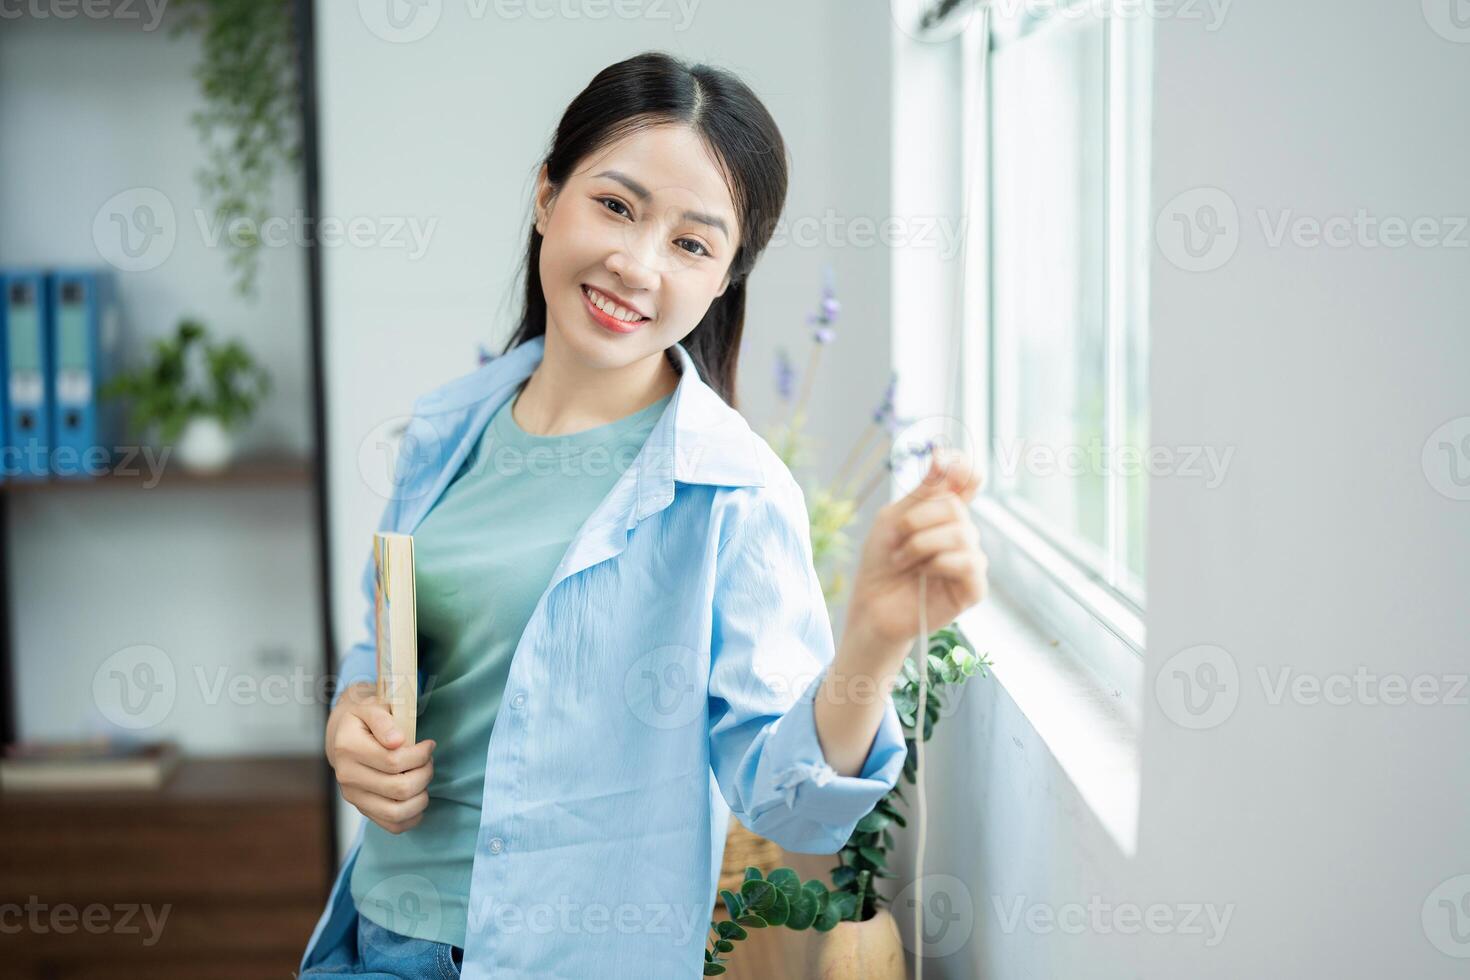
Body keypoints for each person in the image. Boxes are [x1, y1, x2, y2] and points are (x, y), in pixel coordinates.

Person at [299, 50, 987, 979]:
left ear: (723, 279)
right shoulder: (444, 427)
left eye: (692, 244)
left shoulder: (733, 492)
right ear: (547, 198)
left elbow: (790, 804)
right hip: (377, 936)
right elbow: (384, 650)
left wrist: (872, 637)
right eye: (615, 206)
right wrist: (350, 716)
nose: (635, 263)